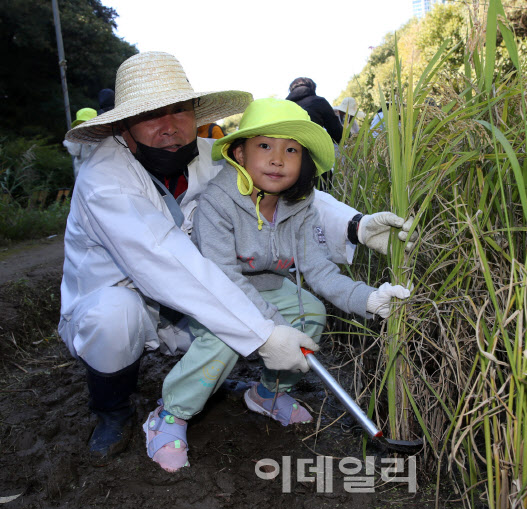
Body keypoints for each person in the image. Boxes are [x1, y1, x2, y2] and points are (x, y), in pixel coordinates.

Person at [59, 51, 417, 464]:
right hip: (125, 293)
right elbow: (162, 259)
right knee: (114, 318)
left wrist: (354, 225)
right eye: (151, 115)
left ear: (195, 113)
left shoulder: (216, 156)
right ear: (124, 126)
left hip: (196, 293)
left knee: (273, 312)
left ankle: (266, 395)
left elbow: (285, 191)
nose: (169, 128)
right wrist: (263, 334)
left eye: (180, 111)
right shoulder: (104, 179)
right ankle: (113, 411)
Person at [142, 98, 411, 472]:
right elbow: (223, 280)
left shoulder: (298, 206)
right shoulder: (217, 204)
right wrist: (271, 328)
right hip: (215, 294)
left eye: (291, 150)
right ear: (239, 152)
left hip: (266, 285)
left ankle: (269, 393)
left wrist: (369, 299)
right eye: (264, 146)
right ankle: (172, 414)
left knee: (312, 311)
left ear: (303, 162)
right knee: (222, 339)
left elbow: (319, 272)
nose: (277, 159)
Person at [62, 107, 97, 179]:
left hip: (98, 175)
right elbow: (74, 151)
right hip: (81, 175)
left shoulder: (103, 138)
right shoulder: (75, 137)